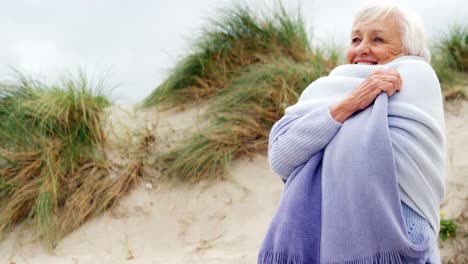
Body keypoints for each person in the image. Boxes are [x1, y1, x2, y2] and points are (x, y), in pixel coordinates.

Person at [258, 2, 445, 264]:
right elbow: (281, 156)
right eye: (355, 39)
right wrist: (350, 103)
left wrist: (326, 132)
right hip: (323, 240)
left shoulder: (417, 75)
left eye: (378, 39)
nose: (361, 48)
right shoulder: (324, 90)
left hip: (397, 237)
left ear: (409, 51)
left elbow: (379, 160)